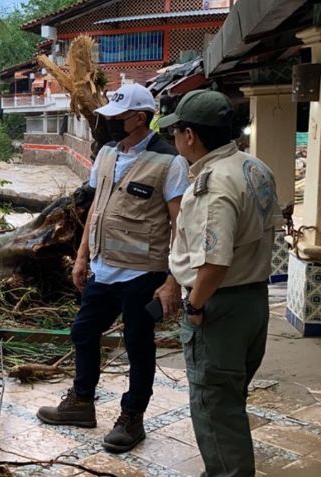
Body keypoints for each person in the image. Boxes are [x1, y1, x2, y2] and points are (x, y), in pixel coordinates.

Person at [36, 83, 190, 453]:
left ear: (140, 119)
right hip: (102, 270)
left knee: (139, 346)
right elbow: (96, 209)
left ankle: (132, 417)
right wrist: (84, 255)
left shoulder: (170, 163)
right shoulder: (106, 154)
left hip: (143, 273)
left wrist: (172, 282)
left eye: (117, 118)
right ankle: (81, 402)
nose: (108, 125)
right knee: (83, 332)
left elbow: (181, 225)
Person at [157, 90, 279, 477]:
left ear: (189, 136)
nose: (175, 140)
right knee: (229, 398)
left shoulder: (215, 186)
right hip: (253, 302)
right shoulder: (254, 168)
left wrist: (193, 304)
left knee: (214, 407)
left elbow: (214, 262)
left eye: (176, 131)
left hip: (219, 307)